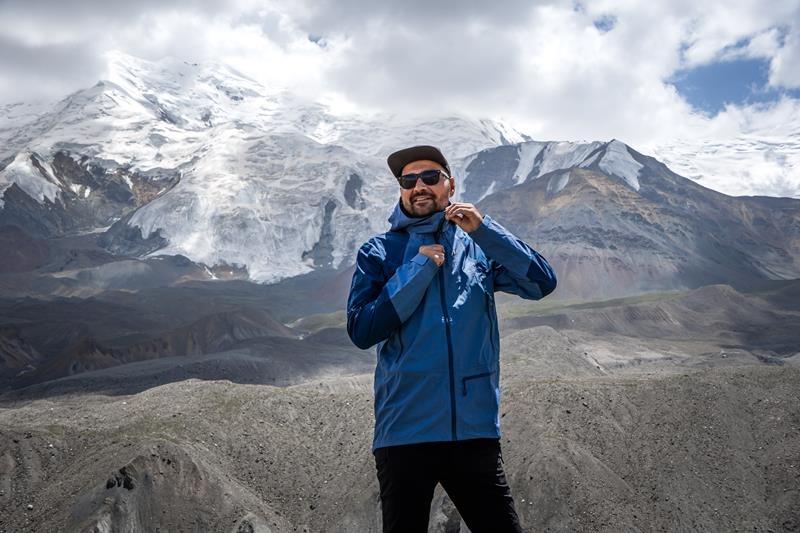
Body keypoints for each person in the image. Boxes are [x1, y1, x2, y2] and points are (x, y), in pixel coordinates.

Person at [346, 144, 557, 532]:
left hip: (473, 432)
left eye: (430, 177)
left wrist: (485, 230)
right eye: (408, 180)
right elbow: (362, 330)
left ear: (451, 185)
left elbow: (541, 283)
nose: (419, 186)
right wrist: (419, 268)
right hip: (404, 432)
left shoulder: (478, 247)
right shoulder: (378, 251)